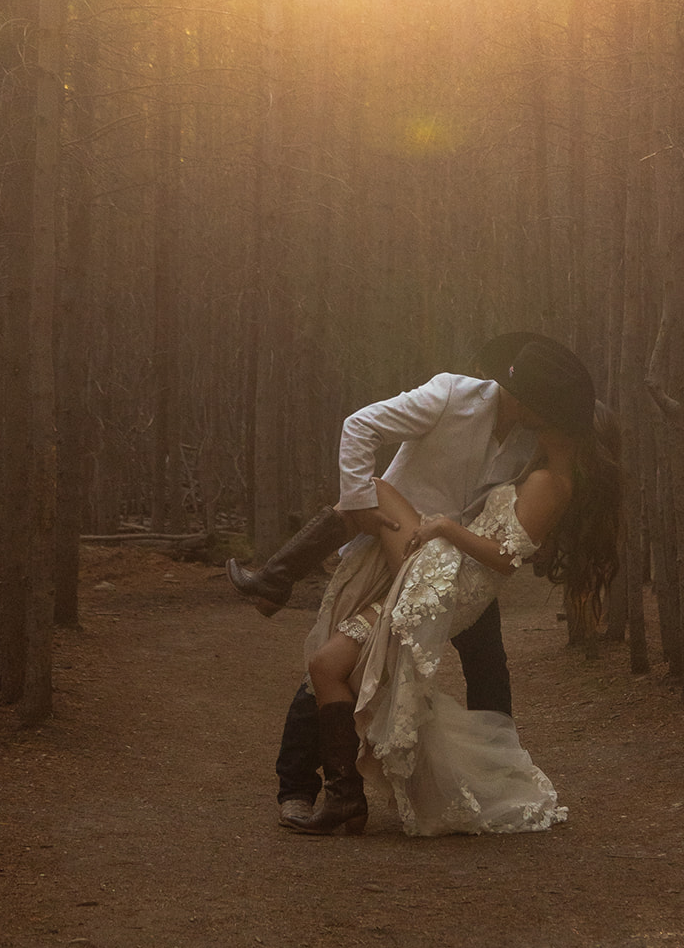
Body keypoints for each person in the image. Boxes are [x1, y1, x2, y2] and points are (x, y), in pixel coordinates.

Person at [229, 332, 573, 828]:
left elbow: (518, 521)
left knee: (487, 662)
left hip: (454, 563)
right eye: (542, 405)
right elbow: (359, 426)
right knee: (334, 665)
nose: (544, 416)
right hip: (394, 545)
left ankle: (498, 774)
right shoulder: (450, 394)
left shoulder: (527, 443)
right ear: (520, 395)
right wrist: (361, 506)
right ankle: (297, 786)